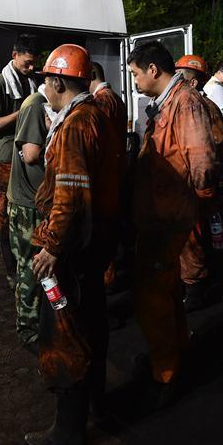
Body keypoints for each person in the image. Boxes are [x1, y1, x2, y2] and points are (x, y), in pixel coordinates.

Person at [25, 45, 120, 445]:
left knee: (66, 334)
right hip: (94, 245)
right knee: (93, 328)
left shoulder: (76, 124)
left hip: (72, 254)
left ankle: (67, 433)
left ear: (58, 81)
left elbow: (69, 195)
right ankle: (97, 407)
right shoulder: (94, 116)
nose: (44, 86)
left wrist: (52, 248)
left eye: (47, 79)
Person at [128, 42, 219, 408]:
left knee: (152, 295)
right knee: (164, 292)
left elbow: (202, 162)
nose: (133, 80)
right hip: (161, 213)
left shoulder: (184, 102)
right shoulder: (172, 101)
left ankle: (165, 373)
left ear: (153, 69)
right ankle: (173, 353)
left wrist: (185, 199)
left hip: (167, 217)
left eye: (135, 73)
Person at [174, 55, 223, 311]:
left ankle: (196, 291)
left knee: (195, 238)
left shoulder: (203, 107)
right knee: (203, 235)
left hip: (199, 186)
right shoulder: (185, 105)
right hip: (194, 184)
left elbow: (218, 145)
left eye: (181, 77)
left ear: (194, 81)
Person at [0, 34, 38, 286]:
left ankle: (29, 264)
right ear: (14, 56)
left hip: (27, 156)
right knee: (4, 214)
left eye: (33, 63)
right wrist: (22, 112)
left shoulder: (31, 82)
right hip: (6, 158)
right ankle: (11, 270)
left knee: (27, 212)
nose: (31, 68)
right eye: (27, 63)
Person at [6, 83, 50, 351]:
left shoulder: (37, 103)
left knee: (30, 267)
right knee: (30, 269)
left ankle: (33, 322)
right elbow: (32, 154)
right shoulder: (36, 104)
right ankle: (28, 331)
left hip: (28, 201)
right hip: (27, 205)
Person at [88, 62, 127, 289]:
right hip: (116, 169)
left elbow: (97, 139)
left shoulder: (102, 100)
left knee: (104, 231)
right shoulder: (115, 97)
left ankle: (107, 281)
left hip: (106, 173)